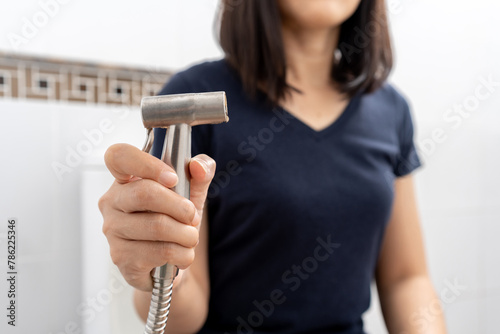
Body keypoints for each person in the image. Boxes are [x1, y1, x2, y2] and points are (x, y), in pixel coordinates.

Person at [98, 0, 447, 333]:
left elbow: (406, 278)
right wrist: (159, 265)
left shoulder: (391, 110)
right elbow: (181, 318)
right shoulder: (195, 97)